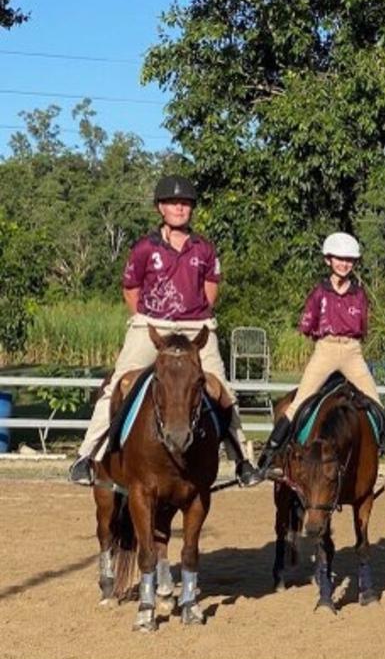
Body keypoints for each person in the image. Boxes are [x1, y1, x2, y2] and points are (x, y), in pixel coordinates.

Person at [68, 175, 256, 487]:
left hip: (196, 326)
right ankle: (88, 456)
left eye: (185, 203)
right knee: (118, 383)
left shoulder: (204, 249)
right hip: (151, 323)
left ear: (191, 209)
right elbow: (131, 288)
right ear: (160, 208)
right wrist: (149, 321)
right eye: (173, 203)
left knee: (222, 390)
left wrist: (191, 317)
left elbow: (210, 290)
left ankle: (241, 459)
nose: (180, 208)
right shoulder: (144, 248)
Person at [254, 232, 385, 479]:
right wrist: (324, 341)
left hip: (351, 350)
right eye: (339, 259)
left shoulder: (359, 294)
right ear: (328, 260)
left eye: (349, 260)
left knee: (374, 401)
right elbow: (307, 325)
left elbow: (362, 327)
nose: (344, 264)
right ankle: (269, 456)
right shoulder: (319, 293)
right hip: (326, 348)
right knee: (300, 401)